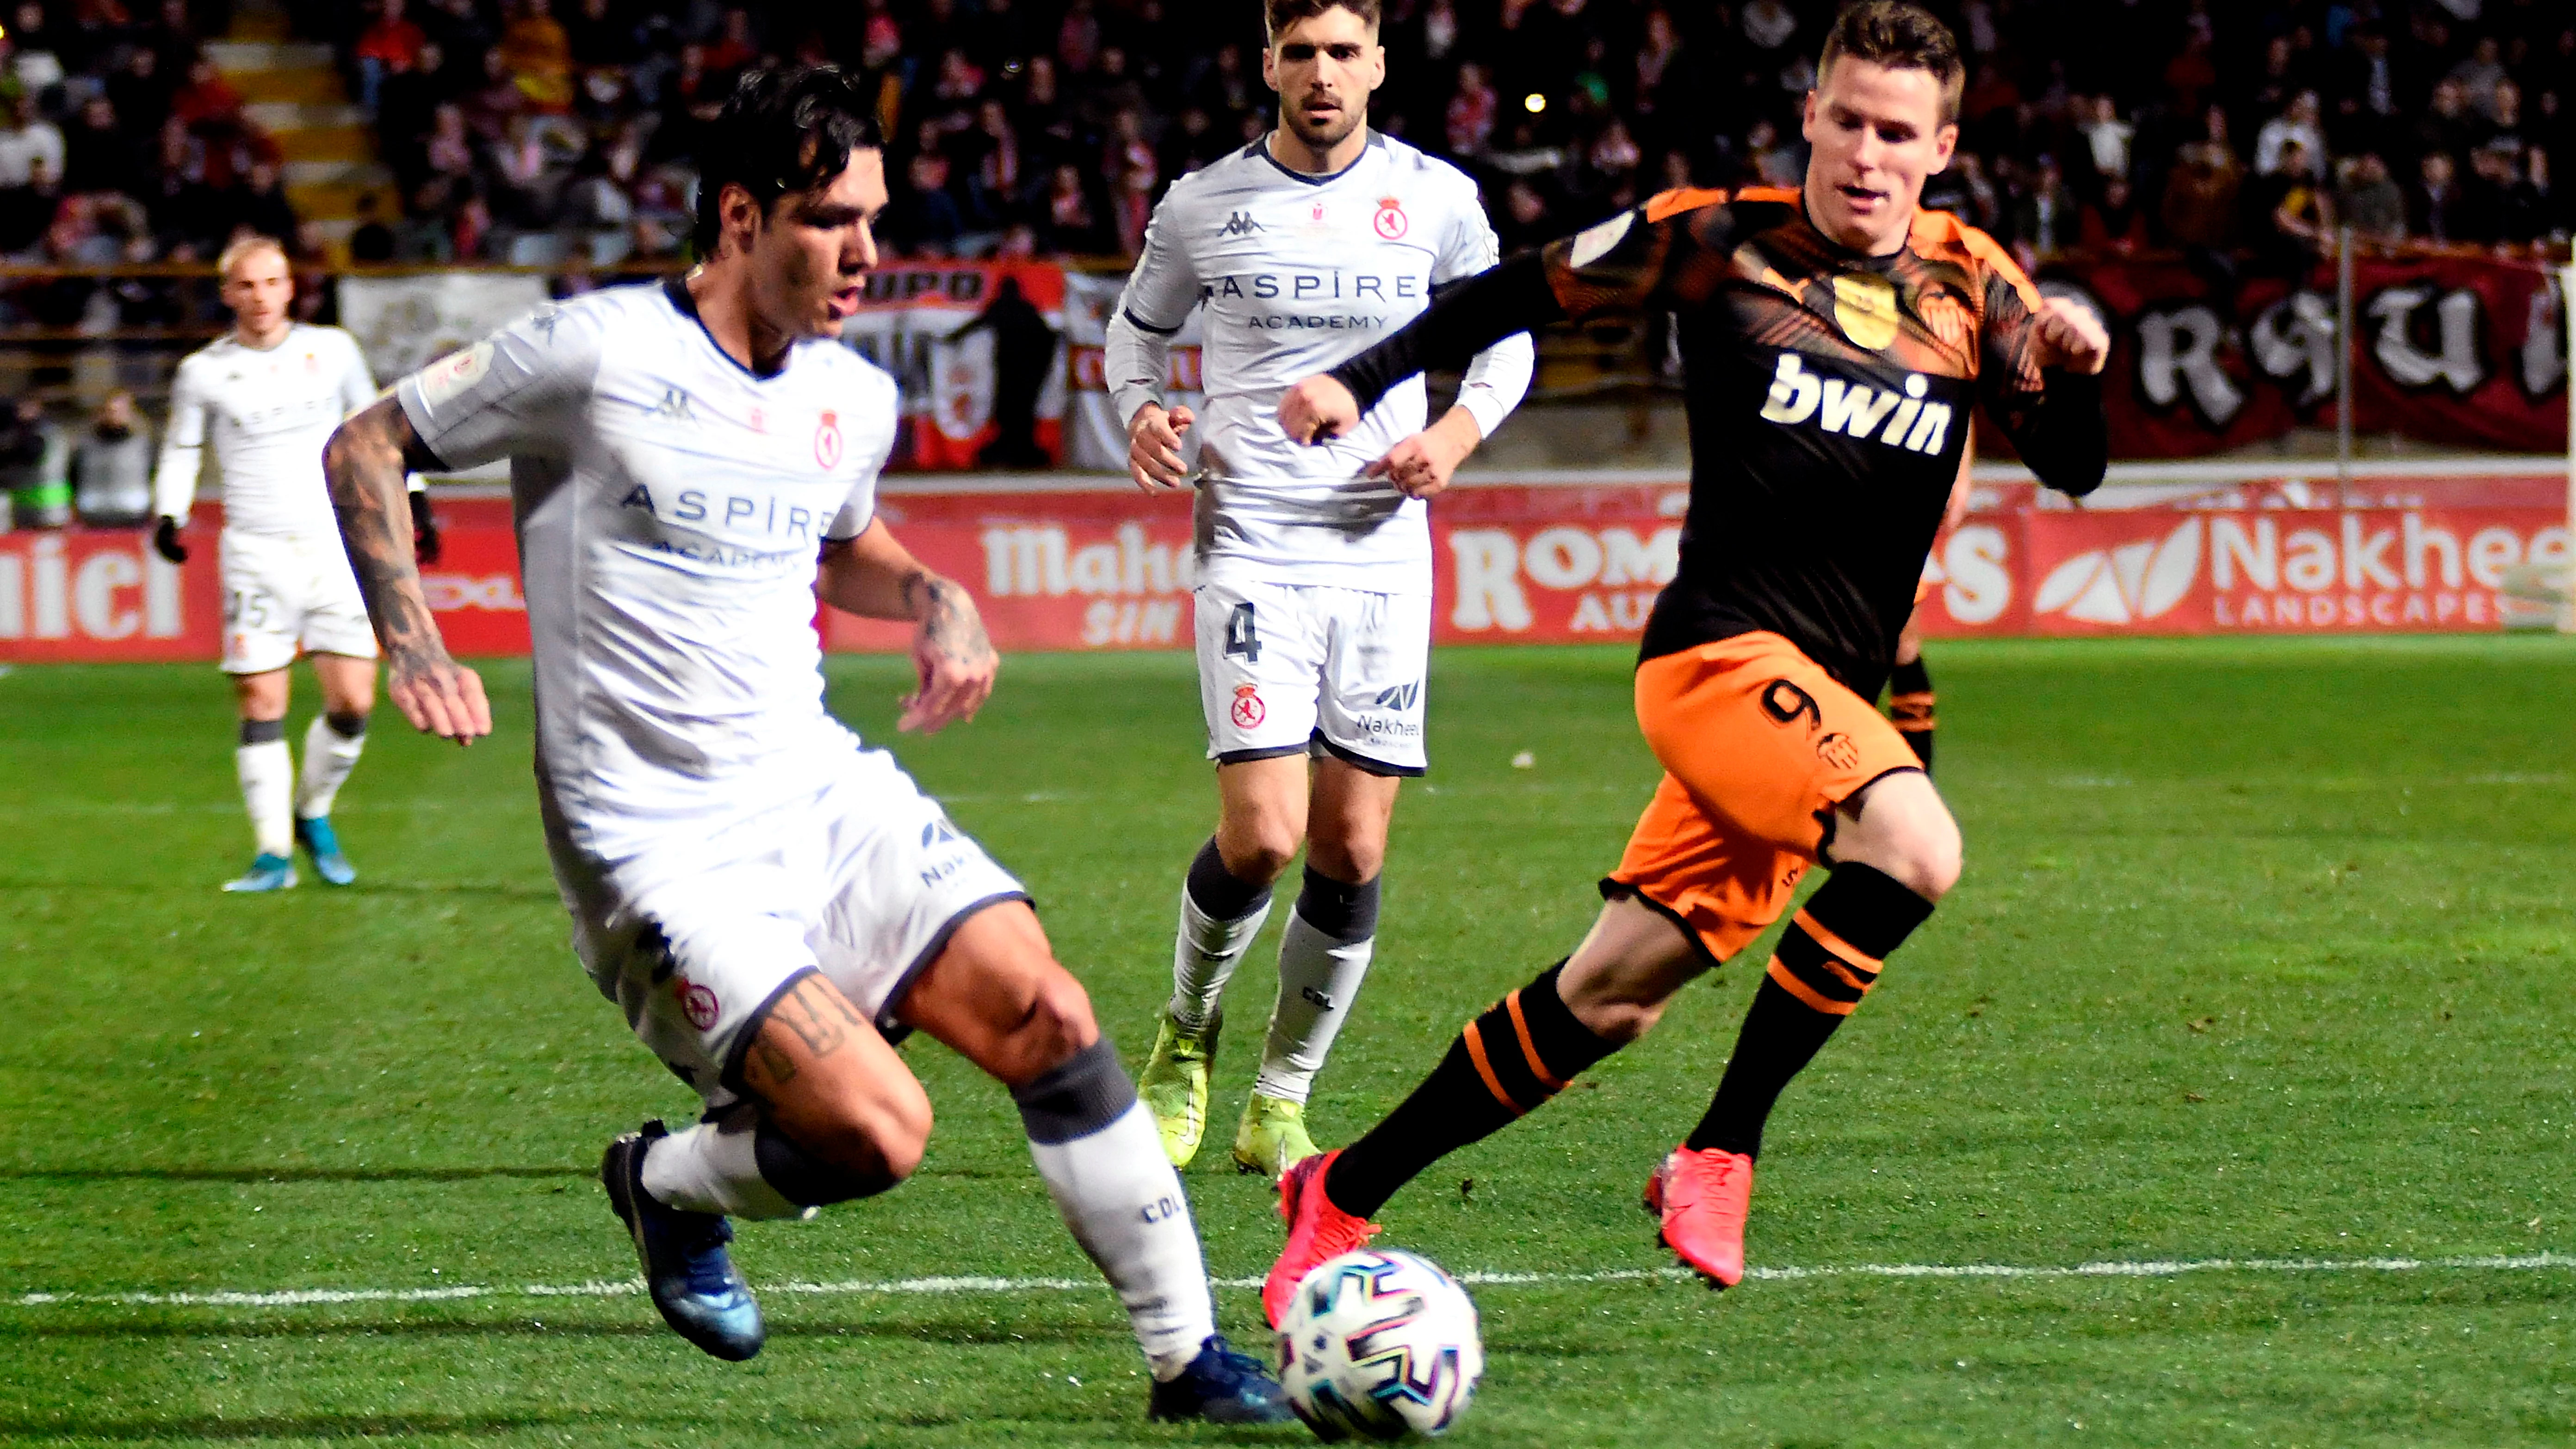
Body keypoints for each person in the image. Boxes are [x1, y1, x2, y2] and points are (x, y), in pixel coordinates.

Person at [317, 65, 1287, 1425]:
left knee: (1052, 1015)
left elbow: (843, 543)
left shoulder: (848, 395)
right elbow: (367, 442)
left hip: (819, 788)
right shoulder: (591, 355)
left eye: (872, 220)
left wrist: (934, 595)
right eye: (832, 221)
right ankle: (661, 1186)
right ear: (737, 215)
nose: (866, 256)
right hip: (652, 846)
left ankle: (1188, 1362)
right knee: (877, 1133)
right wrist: (411, 636)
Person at [1259, 0, 2108, 1321]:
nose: (1866, 155)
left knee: (1611, 994)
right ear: (1810, 118)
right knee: (1918, 849)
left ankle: (1342, 1188)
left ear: (1940, 148)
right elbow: (1509, 290)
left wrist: (2073, 364)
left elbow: (2075, 464)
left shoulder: (1973, 285)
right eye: (1847, 121)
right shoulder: (1719, 240)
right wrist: (1360, 380)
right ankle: (1720, 1150)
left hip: (1818, 704)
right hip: (1718, 658)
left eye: (1898, 132)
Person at [1104, 0, 1533, 1181]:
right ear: (1269, 65)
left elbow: (1510, 337)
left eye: (1344, 51)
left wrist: (1451, 434)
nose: (1323, 74)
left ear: (1379, 63)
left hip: (1384, 554)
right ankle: (1185, 1036)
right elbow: (1131, 337)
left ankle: (1278, 1101)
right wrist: (1141, 411)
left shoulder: (1438, 197)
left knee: (1348, 845)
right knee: (1264, 836)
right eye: (1301, 53)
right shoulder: (1202, 201)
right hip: (1250, 541)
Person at [152, 235, 440, 892]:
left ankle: (311, 811)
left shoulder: (332, 351)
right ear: (227, 293)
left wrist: (415, 501)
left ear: (291, 288)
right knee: (260, 697)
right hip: (255, 553)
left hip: (336, 547)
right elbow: (180, 448)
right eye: (246, 285)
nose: (260, 297)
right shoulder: (203, 371)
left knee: (352, 702)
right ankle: (272, 854)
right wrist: (169, 513)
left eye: (272, 283)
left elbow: (376, 429)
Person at [71, 390, 155, 527]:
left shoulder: (142, 444)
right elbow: (74, 474)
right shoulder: (86, 445)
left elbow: (153, 474)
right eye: (110, 411)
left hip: (134, 515)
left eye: (120, 411)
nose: (115, 416)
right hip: (94, 516)